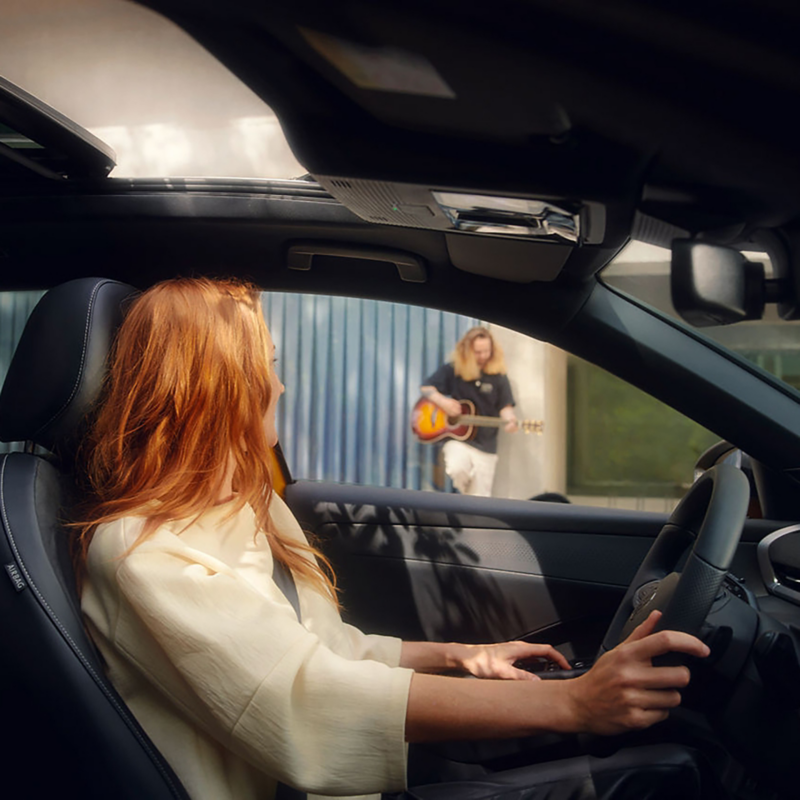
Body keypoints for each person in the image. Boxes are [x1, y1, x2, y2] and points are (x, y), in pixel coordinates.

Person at [74, 278, 716, 800]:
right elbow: (304, 698)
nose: (282, 385)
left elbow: (323, 648)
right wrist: (574, 704)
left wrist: (462, 656)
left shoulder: (249, 503)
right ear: (214, 386)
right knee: (666, 776)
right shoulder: (142, 553)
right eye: (267, 365)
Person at [421, 327, 518, 497]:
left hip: (486, 446)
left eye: (486, 351)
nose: (482, 356)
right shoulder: (454, 370)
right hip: (458, 440)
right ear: (467, 351)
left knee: (480, 499)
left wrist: (510, 420)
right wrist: (443, 402)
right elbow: (426, 388)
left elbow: (506, 407)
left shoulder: (499, 377)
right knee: (457, 468)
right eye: (477, 352)